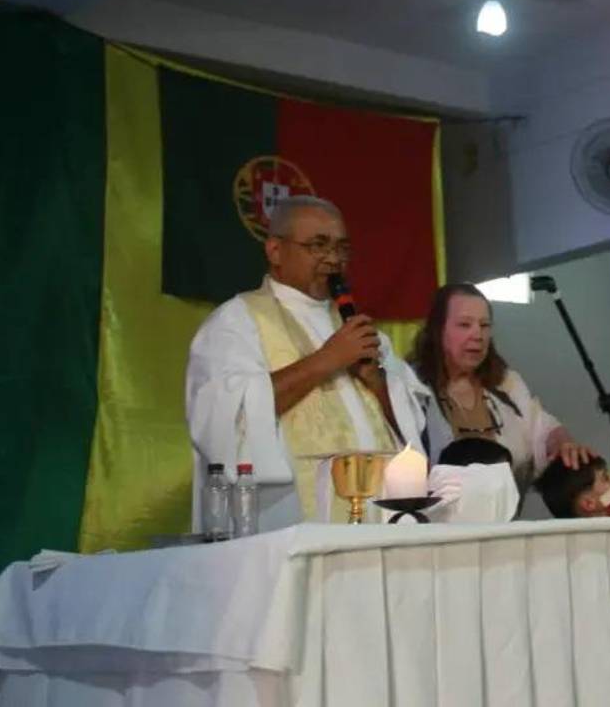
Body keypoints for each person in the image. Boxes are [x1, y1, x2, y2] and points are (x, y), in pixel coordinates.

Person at [185, 195, 433, 531]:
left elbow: (411, 432)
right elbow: (224, 416)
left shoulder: (360, 328)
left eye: (342, 248)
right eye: (318, 245)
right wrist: (326, 360)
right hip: (289, 519)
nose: (333, 259)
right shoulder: (235, 322)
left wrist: (377, 383)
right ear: (275, 251)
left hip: (378, 519)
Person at [411, 283, 597, 519]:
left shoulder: (507, 384)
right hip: (436, 536)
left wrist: (564, 444)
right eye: (464, 325)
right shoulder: (413, 388)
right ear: (438, 331)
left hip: (505, 532)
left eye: (485, 325)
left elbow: (543, 428)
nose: (477, 335)